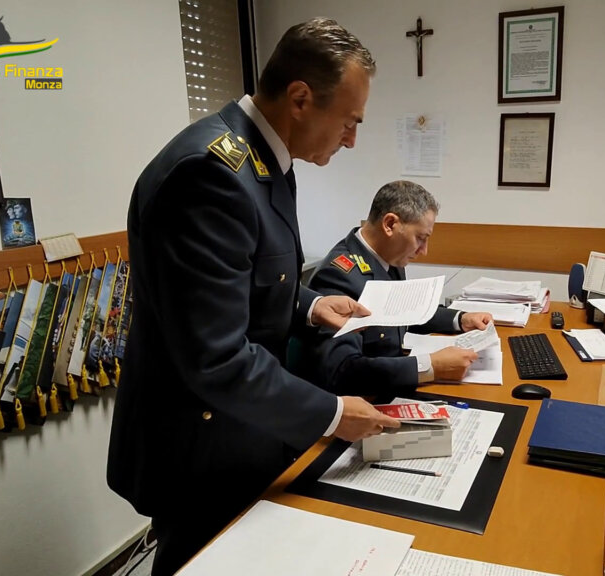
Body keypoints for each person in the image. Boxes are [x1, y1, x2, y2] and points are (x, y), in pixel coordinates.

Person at [106, 18, 399, 576]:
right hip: (198, 446)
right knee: (198, 561)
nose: (351, 139)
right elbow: (216, 356)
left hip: (240, 428)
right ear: (300, 99)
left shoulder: (263, 160)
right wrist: (334, 412)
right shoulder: (211, 174)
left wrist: (310, 304)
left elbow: (248, 281)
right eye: (349, 121)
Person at [303, 180, 492, 395]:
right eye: (420, 238)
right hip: (365, 399)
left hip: (391, 384)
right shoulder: (340, 276)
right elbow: (341, 371)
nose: (424, 250)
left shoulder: (387, 258)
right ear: (390, 224)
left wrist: (460, 319)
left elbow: (406, 311)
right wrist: (431, 366)